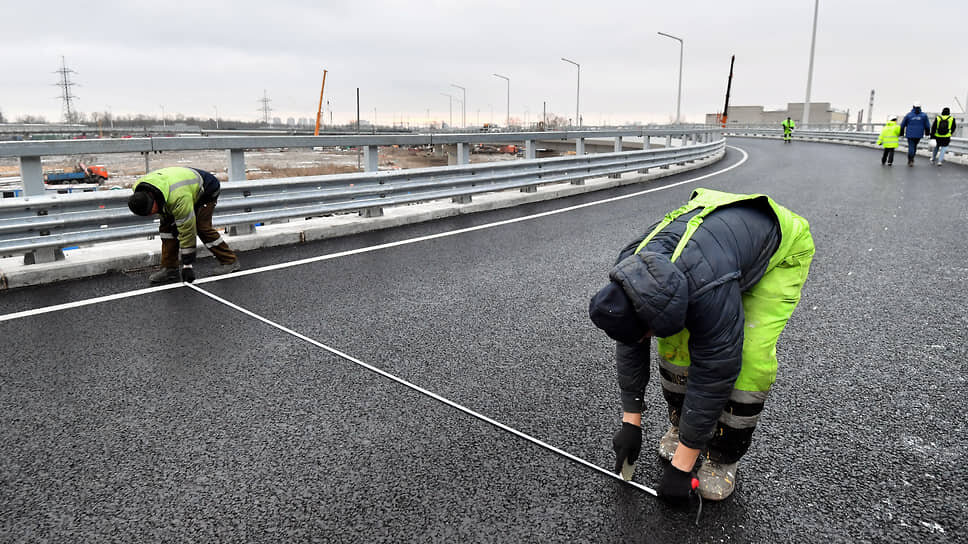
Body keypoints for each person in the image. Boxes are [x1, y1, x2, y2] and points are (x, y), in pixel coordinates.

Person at [588, 188, 814, 503]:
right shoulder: (629, 270)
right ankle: (684, 429)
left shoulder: (707, 288)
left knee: (748, 358)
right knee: (676, 346)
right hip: (713, 244)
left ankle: (723, 454)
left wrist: (681, 469)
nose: (641, 339)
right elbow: (630, 342)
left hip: (777, 250)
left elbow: (715, 370)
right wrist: (631, 422)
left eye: (643, 333)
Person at [127, 166, 240, 284]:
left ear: (152, 198)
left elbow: (187, 231)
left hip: (206, 188)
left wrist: (187, 266)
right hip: (177, 187)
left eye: (151, 211)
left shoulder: (178, 198)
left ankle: (229, 261)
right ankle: (170, 269)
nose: (152, 214)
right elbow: (163, 213)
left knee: (201, 227)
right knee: (167, 230)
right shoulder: (138, 190)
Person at [899, 102, 930, 166]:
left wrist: (901, 133)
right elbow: (927, 126)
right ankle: (912, 158)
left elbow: (902, 125)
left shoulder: (909, 115)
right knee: (915, 146)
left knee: (911, 146)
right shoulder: (924, 115)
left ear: (913, 107)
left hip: (910, 134)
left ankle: (910, 159)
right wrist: (927, 134)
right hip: (919, 134)